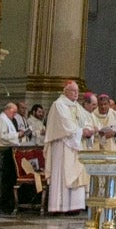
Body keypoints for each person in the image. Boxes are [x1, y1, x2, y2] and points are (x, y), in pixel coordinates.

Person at [44, 80, 95, 213]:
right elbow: (65, 125)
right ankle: (59, 206)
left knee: (76, 172)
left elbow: (87, 119)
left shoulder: (77, 106)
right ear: (65, 91)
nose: (76, 94)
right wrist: (81, 132)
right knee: (63, 172)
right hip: (63, 146)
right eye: (73, 91)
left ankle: (74, 206)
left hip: (76, 144)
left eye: (77, 91)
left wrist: (89, 130)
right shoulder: (59, 105)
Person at [0, 101, 24, 213]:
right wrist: (17, 135)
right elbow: (2, 136)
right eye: (13, 112)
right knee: (5, 180)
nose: (14, 115)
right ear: (7, 110)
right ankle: (3, 205)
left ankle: (9, 204)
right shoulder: (2, 119)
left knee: (10, 179)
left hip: (10, 151)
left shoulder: (8, 120)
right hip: (3, 152)